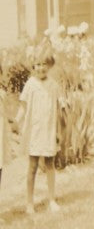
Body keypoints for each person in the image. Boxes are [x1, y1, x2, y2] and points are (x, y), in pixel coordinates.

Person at [16, 56, 62, 215]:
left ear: (49, 66)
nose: (41, 68)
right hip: (34, 131)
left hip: (49, 130)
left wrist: (59, 131)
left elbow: (60, 106)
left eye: (44, 64)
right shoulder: (30, 85)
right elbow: (23, 106)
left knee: (50, 164)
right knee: (33, 166)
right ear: (33, 66)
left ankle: (52, 199)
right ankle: (30, 203)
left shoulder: (54, 85)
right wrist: (16, 122)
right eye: (38, 64)